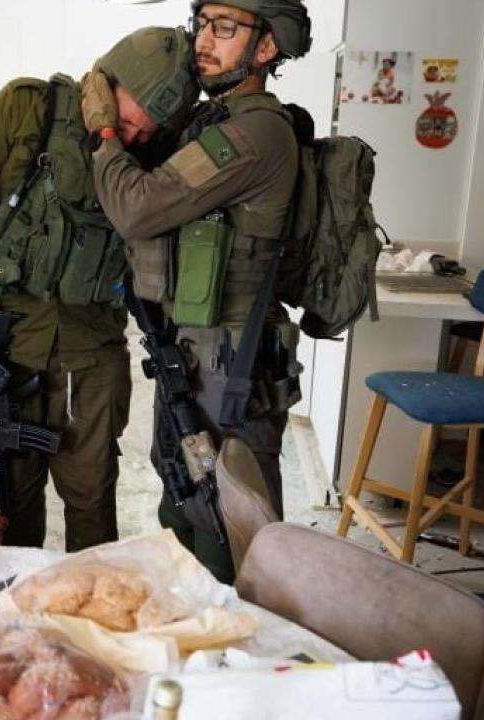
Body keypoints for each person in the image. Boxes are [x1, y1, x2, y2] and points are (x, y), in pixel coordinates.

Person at [0, 27, 200, 551]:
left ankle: (88, 624)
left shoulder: (151, 151)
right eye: (132, 122)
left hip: (92, 355)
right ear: (105, 84)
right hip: (7, 350)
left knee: (93, 503)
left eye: (150, 131)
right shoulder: (25, 110)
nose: (136, 139)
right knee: (14, 507)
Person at [81, 0, 312, 581]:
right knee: (183, 501)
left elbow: (136, 208)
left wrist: (105, 131)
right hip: (195, 357)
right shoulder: (212, 123)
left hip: (231, 370)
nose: (204, 42)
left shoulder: (255, 131)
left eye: (225, 28)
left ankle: (243, 659)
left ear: (266, 48)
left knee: (231, 531)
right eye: (202, 25)